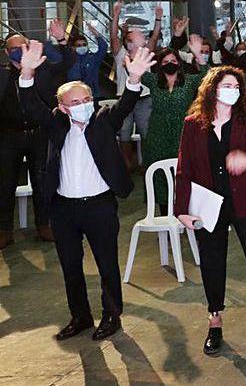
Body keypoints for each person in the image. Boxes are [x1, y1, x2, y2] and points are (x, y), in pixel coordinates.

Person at [17, 41, 154, 341]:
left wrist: (133, 80)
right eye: (76, 102)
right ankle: (80, 316)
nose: (84, 105)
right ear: (63, 107)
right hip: (64, 209)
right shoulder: (56, 124)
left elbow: (125, 106)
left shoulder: (103, 121)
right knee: (70, 265)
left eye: (87, 99)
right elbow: (30, 105)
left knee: (107, 264)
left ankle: (111, 316)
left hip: (100, 206)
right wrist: (27, 71)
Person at [175, 66, 246, 355]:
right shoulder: (192, 124)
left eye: (237, 86)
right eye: (227, 85)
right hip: (209, 206)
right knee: (212, 263)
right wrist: (181, 209)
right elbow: (183, 169)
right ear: (212, 89)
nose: (232, 91)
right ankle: (215, 322)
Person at [1, 23, 71, 247]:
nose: (18, 50)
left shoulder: (43, 70)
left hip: (39, 134)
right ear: (5, 52)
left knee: (42, 181)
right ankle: (4, 230)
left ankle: (44, 224)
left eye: (22, 46)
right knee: (5, 183)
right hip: (8, 136)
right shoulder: (2, 76)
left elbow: (66, 64)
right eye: (13, 48)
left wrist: (62, 42)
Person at [143, 48, 203, 214]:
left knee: (185, 174)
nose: (170, 64)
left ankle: (186, 215)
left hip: (183, 134)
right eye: (165, 62)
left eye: (173, 61)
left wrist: (198, 55)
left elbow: (208, 77)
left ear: (179, 63)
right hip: (157, 135)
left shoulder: (190, 81)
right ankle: (165, 216)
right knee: (160, 177)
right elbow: (135, 72)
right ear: (160, 65)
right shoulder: (154, 81)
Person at [111, 2, 161, 173]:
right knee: (124, 133)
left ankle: (147, 163)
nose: (137, 41)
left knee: (146, 132)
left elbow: (154, 38)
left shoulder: (145, 52)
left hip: (144, 98)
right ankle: (127, 163)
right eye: (132, 39)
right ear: (127, 41)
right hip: (124, 98)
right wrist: (116, 15)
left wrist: (158, 18)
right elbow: (113, 38)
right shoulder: (120, 54)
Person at [65, 23, 108, 97]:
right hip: (74, 95)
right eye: (78, 45)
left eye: (84, 45)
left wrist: (96, 34)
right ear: (73, 47)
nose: (82, 47)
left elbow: (103, 47)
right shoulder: (69, 60)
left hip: (93, 94)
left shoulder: (93, 59)